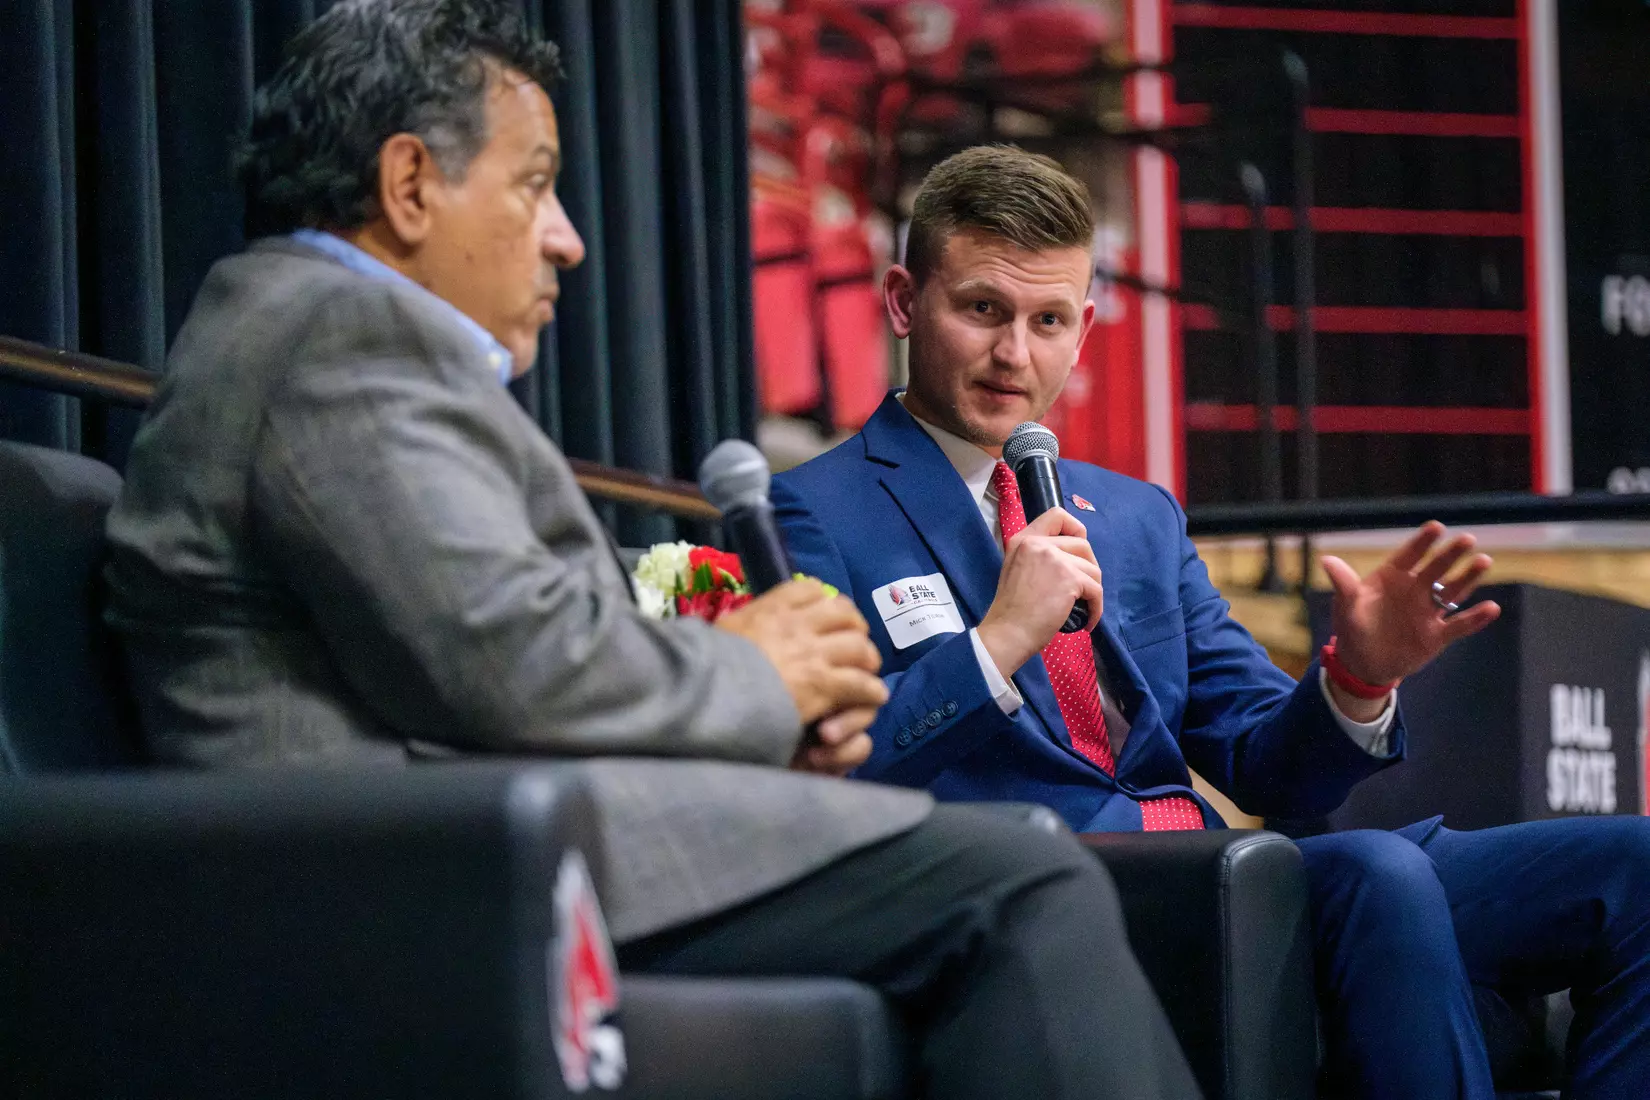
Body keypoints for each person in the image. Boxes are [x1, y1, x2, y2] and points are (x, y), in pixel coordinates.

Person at [100, 5, 1200, 1098]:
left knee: (1010, 857)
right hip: (426, 872)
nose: (568, 234)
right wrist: (761, 672)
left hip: (474, 832)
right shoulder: (339, 340)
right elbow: (518, 661)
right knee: (1021, 874)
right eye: (534, 183)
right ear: (410, 185)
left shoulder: (305, 328)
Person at [773, 144, 1650, 1100]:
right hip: (1051, 891)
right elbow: (833, 773)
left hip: (1219, 864)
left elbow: (1266, 761)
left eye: (1048, 320)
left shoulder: (1138, 514)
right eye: (982, 309)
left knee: (1635, 867)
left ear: (1085, 327)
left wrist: (1357, 680)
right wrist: (995, 644)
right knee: (1376, 874)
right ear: (904, 302)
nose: (1014, 354)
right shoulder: (816, 511)